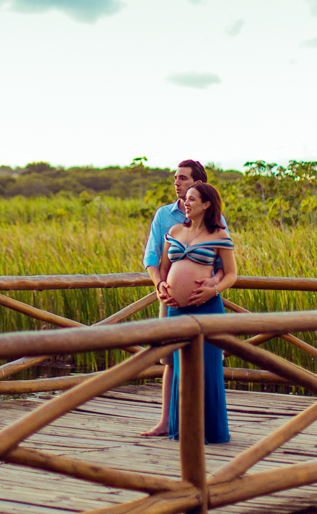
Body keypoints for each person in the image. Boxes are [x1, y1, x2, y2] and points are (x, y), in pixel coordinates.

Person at [157, 181, 235, 444]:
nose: (186, 203)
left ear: (206, 204)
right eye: (186, 198)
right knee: (181, 369)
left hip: (207, 309)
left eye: (192, 199)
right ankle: (183, 431)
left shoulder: (219, 235)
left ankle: (210, 431)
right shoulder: (175, 231)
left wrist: (213, 290)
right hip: (176, 310)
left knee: (208, 369)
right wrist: (162, 288)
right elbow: (164, 269)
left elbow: (231, 274)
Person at [140, 160, 211, 437]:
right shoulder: (164, 215)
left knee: (204, 359)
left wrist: (212, 286)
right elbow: (151, 256)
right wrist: (159, 285)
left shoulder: (213, 216)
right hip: (169, 301)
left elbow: (222, 259)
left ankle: (201, 422)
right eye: (175, 178)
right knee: (170, 361)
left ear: (198, 183)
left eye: (183, 178)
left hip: (203, 302)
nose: (176, 183)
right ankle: (166, 421)